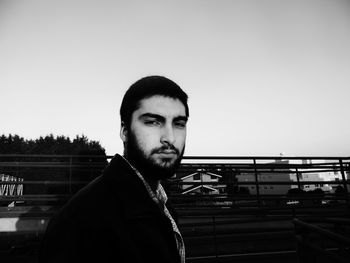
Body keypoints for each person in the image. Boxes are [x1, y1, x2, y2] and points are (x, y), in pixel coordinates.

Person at [39, 76, 189, 263]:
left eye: (179, 124)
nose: (170, 137)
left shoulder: (161, 206)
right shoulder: (82, 220)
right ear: (124, 131)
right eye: (153, 122)